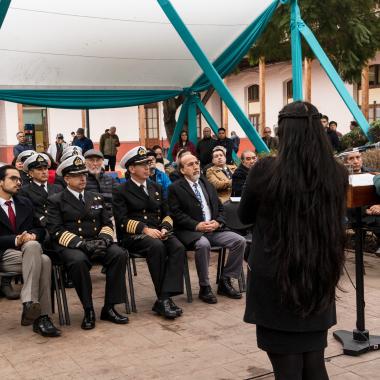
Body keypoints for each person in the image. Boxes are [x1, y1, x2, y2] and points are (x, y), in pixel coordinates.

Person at [238, 101, 348, 380]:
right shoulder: (336, 173)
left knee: (287, 368)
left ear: (282, 133)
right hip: (318, 276)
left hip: (276, 280)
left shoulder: (264, 170)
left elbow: (244, 215)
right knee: (313, 362)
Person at [47, 155, 129, 330]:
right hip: (71, 245)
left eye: (84, 174)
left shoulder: (96, 197)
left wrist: (104, 240)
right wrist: (81, 244)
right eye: (77, 175)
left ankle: (109, 307)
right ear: (67, 178)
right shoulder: (56, 200)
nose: (83, 178)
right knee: (78, 261)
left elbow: (107, 223)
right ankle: (88, 309)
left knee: (119, 254)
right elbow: (55, 230)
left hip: (96, 241)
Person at [113, 146, 185, 319]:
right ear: (131, 169)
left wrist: (165, 228)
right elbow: (121, 220)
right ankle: (164, 299)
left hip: (158, 232)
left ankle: (164, 297)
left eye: (148, 163)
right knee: (157, 246)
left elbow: (167, 213)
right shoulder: (121, 190)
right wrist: (145, 229)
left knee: (177, 247)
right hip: (134, 236)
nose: (148, 167)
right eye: (142, 164)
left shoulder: (156, 187)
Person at [168, 153, 245, 304]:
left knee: (239, 241)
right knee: (203, 245)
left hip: (213, 229)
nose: (196, 166)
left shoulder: (206, 184)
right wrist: (196, 225)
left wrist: (217, 222)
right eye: (190, 164)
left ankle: (225, 280)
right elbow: (175, 214)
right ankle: (205, 287)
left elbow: (221, 209)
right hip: (191, 231)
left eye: (197, 162)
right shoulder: (175, 188)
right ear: (182, 170)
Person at [0, 165, 61, 337]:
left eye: (19, 179)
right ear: (0, 182)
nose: (18, 182)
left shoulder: (24, 203)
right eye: (13, 178)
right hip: (2, 254)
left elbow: (40, 228)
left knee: (41, 255)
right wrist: (16, 239)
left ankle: (31, 305)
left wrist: (33, 235)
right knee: (43, 260)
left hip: (27, 253)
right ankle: (41, 317)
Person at [18, 153, 62, 228]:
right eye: (39, 169)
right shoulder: (24, 191)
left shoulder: (58, 188)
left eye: (45, 168)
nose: (44, 172)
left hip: (59, 225)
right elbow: (29, 212)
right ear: (31, 173)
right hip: (40, 226)